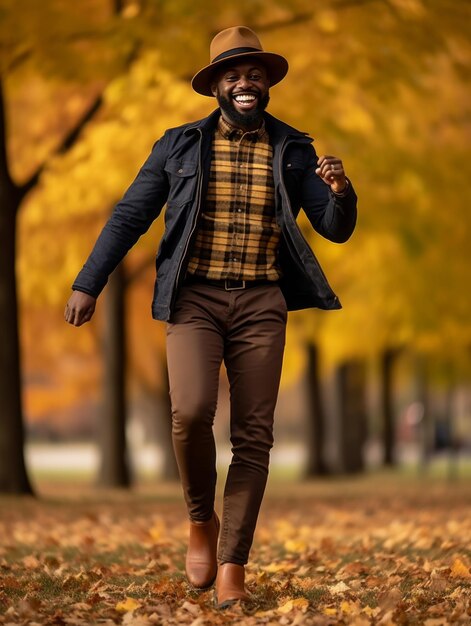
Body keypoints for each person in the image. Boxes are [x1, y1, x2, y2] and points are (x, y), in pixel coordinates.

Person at [64, 26, 357, 608]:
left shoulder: (295, 150)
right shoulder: (177, 145)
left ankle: (232, 566)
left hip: (262, 302)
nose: (244, 83)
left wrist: (341, 189)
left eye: (254, 74)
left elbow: (334, 227)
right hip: (194, 298)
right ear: (217, 87)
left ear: (267, 83)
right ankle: (202, 519)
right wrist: (88, 282)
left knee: (254, 435)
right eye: (233, 75)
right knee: (191, 412)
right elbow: (129, 217)